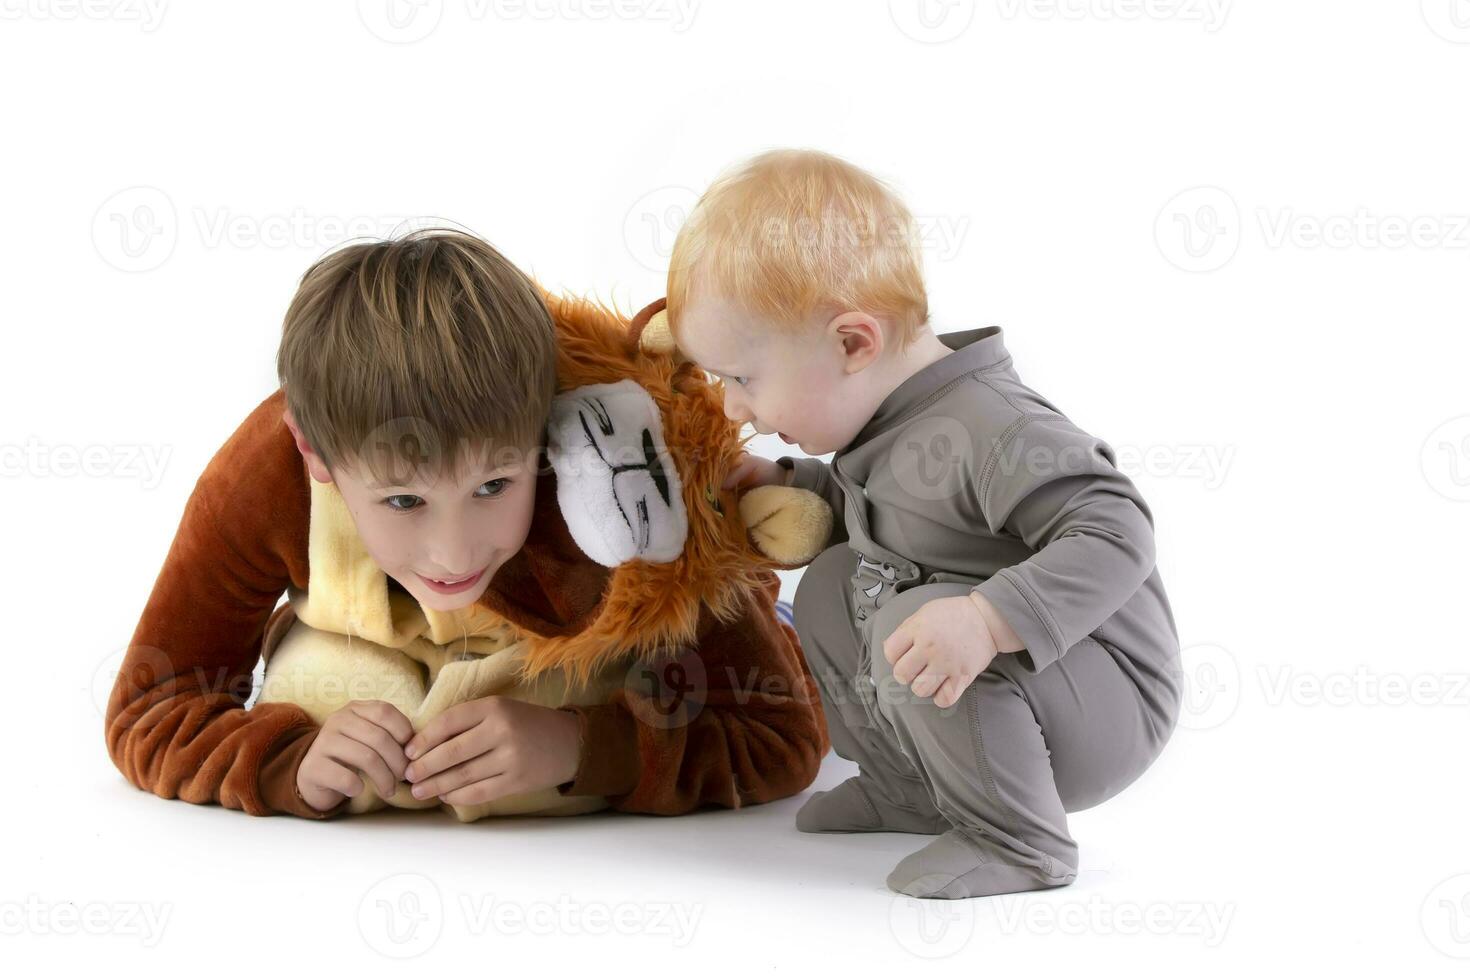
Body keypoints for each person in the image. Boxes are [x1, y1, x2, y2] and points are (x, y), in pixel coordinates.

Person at [665, 149, 1182, 899]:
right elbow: (895, 525)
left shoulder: (993, 427)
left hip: (1103, 695)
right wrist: (787, 487)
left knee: (916, 615)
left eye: (743, 378)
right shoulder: (887, 423)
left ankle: (1021, 841)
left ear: (852, 343)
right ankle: (909, 789)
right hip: (1004, 698)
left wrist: (988, 619)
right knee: (833, 584)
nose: (735, 408)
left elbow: (1118, 528)